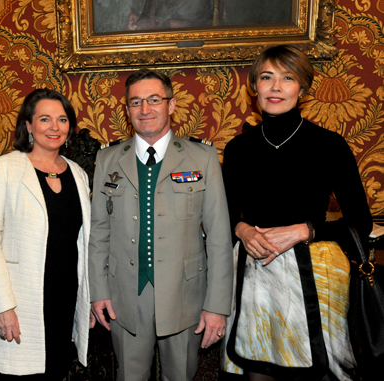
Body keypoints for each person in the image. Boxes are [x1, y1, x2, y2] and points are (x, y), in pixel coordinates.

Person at [221, 45, 373, 381]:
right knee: (257, 369)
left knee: (317, 371)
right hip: (254, 271)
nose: (276, 87)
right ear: (254, 87)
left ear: (302, 89)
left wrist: (305, 230)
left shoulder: (330, 145)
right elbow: (225, 216)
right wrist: (242, 229)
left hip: (318, 274)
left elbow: (361, 221)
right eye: (267, 77)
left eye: (287, 78)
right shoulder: (237, 150)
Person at [89, 69, 233, 380]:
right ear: (127, 110)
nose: (145, 109)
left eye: (154, 100)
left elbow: (220, 238)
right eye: (136, 102)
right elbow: (99, 233)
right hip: (125, 297)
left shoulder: (202, 157)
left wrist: (217, 306)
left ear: (171, 104)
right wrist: (97, 291)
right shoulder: (108, 160)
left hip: (185, 296)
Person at [0, 89, 93, 379]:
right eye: (45, 119)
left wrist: (86, 300)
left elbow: (83, 244)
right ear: (28, 125)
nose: (55, 127)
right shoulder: (5, 168)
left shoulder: (78, 173)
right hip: (20, 300)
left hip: (64, 299)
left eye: (62, 119)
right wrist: (3, 306)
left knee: (54, 371)